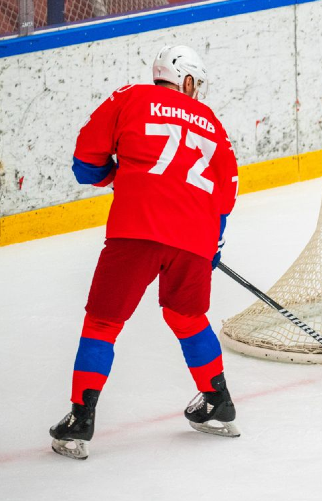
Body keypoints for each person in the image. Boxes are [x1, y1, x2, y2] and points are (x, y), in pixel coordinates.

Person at [48, 45, 241, 460]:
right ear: (187, 80)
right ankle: (218, 400)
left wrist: (120, 176)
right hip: (195, 235)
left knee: (103, 322)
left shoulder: (129, 97)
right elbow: (226, 197)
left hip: (137, 229)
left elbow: (85, 164)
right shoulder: (213, 124)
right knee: (186, 315)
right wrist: (212, 246)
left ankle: (80, 420)